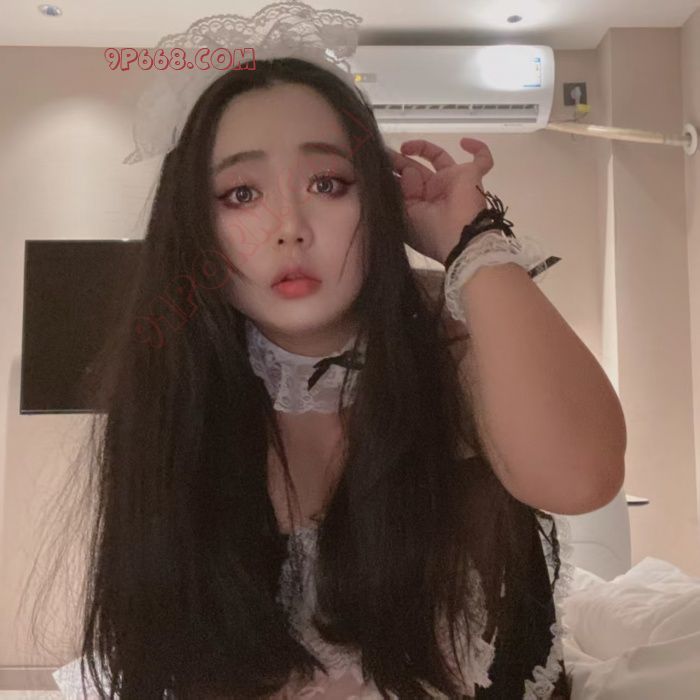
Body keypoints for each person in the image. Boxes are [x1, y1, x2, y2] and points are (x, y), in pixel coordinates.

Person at [36, 5, 602, 699]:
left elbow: (581, 480)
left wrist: (473, 240)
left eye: (328, 184)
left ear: (380, 200)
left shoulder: (452, 344)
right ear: (195, 228)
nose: (289, 228)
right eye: (241, 194)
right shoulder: (171, 399)